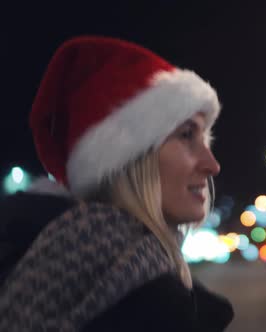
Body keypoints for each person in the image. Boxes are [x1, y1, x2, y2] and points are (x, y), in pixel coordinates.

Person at [0, 36, 233, 331]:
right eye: (187, 135)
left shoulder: (29, 262)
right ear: (128, 160)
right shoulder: (153, 306)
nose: (212, 165)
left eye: (205, 139)